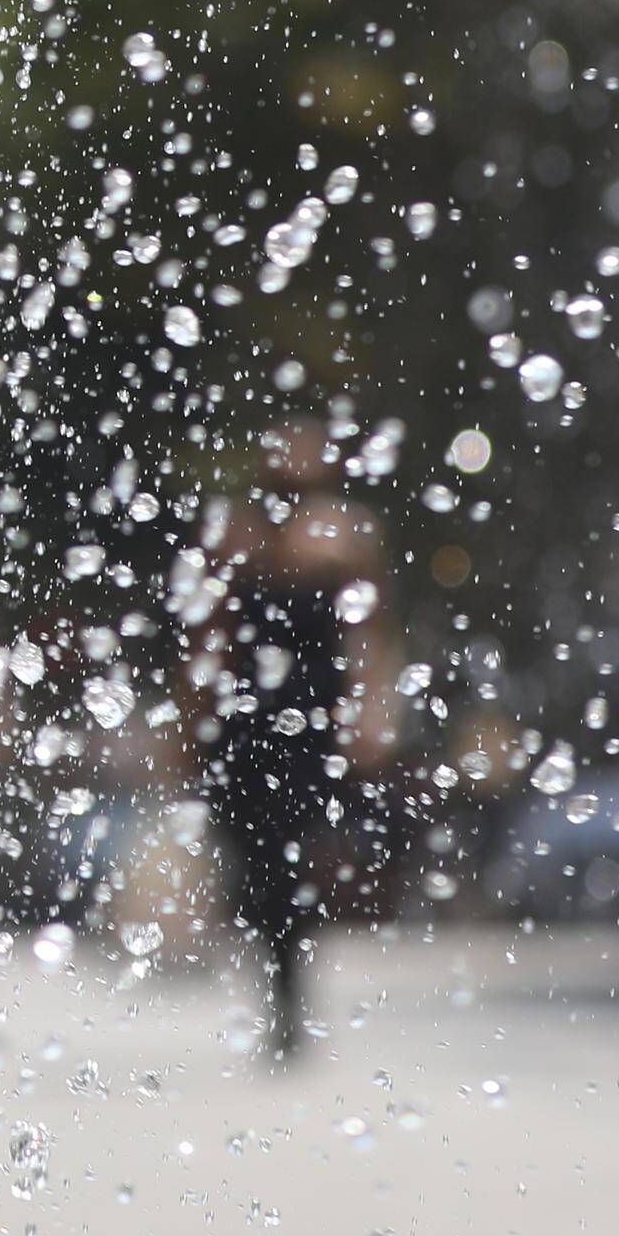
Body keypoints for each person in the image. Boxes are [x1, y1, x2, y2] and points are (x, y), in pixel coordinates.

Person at [178, 432, 411, 1063]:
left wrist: (372, 715)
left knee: (295, 863)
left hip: (310, 725)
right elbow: (210, 632)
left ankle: (289, 994)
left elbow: (373, 631)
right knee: (254, 865)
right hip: (249, 723)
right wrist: (195, 717)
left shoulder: (341, 538)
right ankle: (279, 986)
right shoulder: (241, 535)